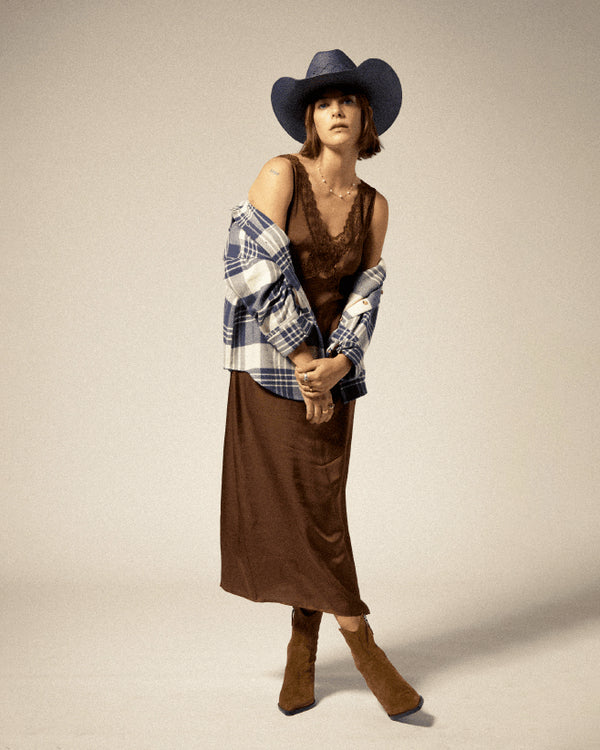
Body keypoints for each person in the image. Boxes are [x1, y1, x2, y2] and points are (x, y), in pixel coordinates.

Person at [220, 49, 423, 721]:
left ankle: (303, 644)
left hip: (335, 375)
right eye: (322, 101)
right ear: (310, 119)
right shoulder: (281, 173)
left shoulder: (375, 205)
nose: (335, 108)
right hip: (273, 371)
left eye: (348, 100)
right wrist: (306, 359)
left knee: (321, 505)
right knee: (308, 507)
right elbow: (246, 266)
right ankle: (362, 643)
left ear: (367, 121)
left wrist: (338, 363)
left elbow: (367, 292)